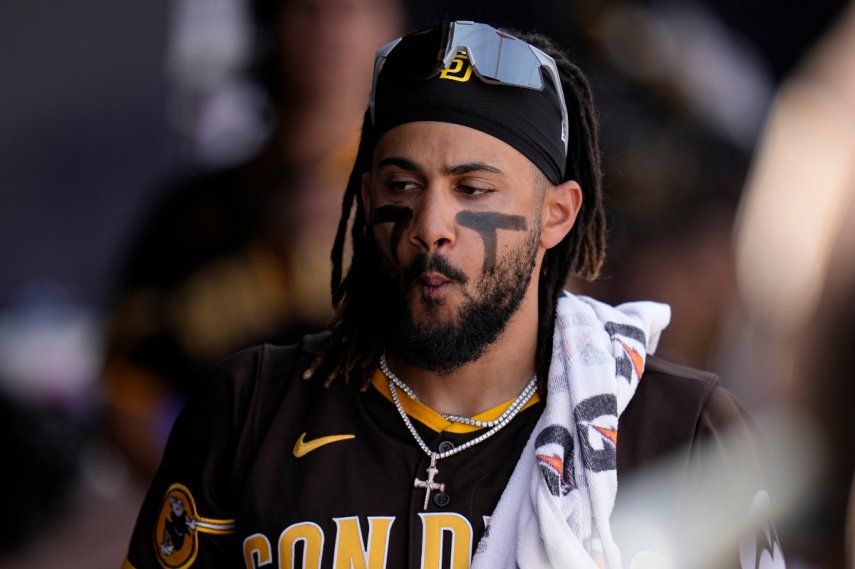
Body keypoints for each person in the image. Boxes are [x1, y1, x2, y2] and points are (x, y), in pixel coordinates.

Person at [123, 21, 783, 568]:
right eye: (402, 185)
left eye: (473, 189)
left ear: (557, 213)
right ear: (364, 201)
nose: (430, 226)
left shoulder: (677, 428)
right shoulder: (249, 410)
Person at [104, 0, 402, 479]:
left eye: (348, 8)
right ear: (270, 26)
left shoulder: (436, 205)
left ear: (394, 22)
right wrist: (206, 504)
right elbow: (126, 399)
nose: (327, 27)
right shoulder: (189, 216)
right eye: (306, 8)